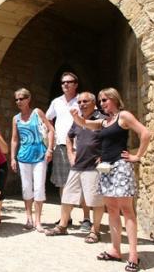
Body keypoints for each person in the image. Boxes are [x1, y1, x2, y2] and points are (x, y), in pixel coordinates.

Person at [71, 88, 150, 272]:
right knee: (112, 209)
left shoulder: (124, 116)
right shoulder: (105, 122)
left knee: (127, 211)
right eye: (100, 100)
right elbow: (85, 123)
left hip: (120, 167)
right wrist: (76, 116)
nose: (101, 103)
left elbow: (145, 133)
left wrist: (137, 156)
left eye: (104, 99)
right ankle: (115, 250)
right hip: (106, 169)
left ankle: (133, 255)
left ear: (114, 98)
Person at [45, 92, 105, 243]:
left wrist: (104, 155)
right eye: (79, 102)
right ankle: (63, 226)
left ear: (93, 102)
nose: (82, 104)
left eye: (85, 101)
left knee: (95, 200)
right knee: (67, 196)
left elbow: (110, 138)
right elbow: (69, 136)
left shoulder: (101, 119)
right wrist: (70, 153)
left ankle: (95, 231)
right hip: (78, 164)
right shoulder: (78, 119)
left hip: (94, 166)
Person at [46, 72, 88, 228]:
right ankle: (66, 217)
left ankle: (86, 218)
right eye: (63, 82)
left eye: (69, 82)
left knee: (84, 182)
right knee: (62, 182)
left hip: (80, 146)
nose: (65, 84)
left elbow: (92, 116)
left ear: (75, 84)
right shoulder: (56, 102)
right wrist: (52, 131)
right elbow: (48, 117)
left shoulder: (82, 101)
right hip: (61, 146)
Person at [10, 88, 54, 233]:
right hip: (23, 157)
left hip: (40, 155)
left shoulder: (37, 113)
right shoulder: (16, 118)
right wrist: (13, 158)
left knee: (39, 187)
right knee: (26, 188)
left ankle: (38, 221)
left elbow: (50, 130)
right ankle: (29, 219)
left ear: (28, 99)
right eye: (16, 99)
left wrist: (49, 150)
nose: (19, 101)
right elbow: (15, 139)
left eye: (21, 98)